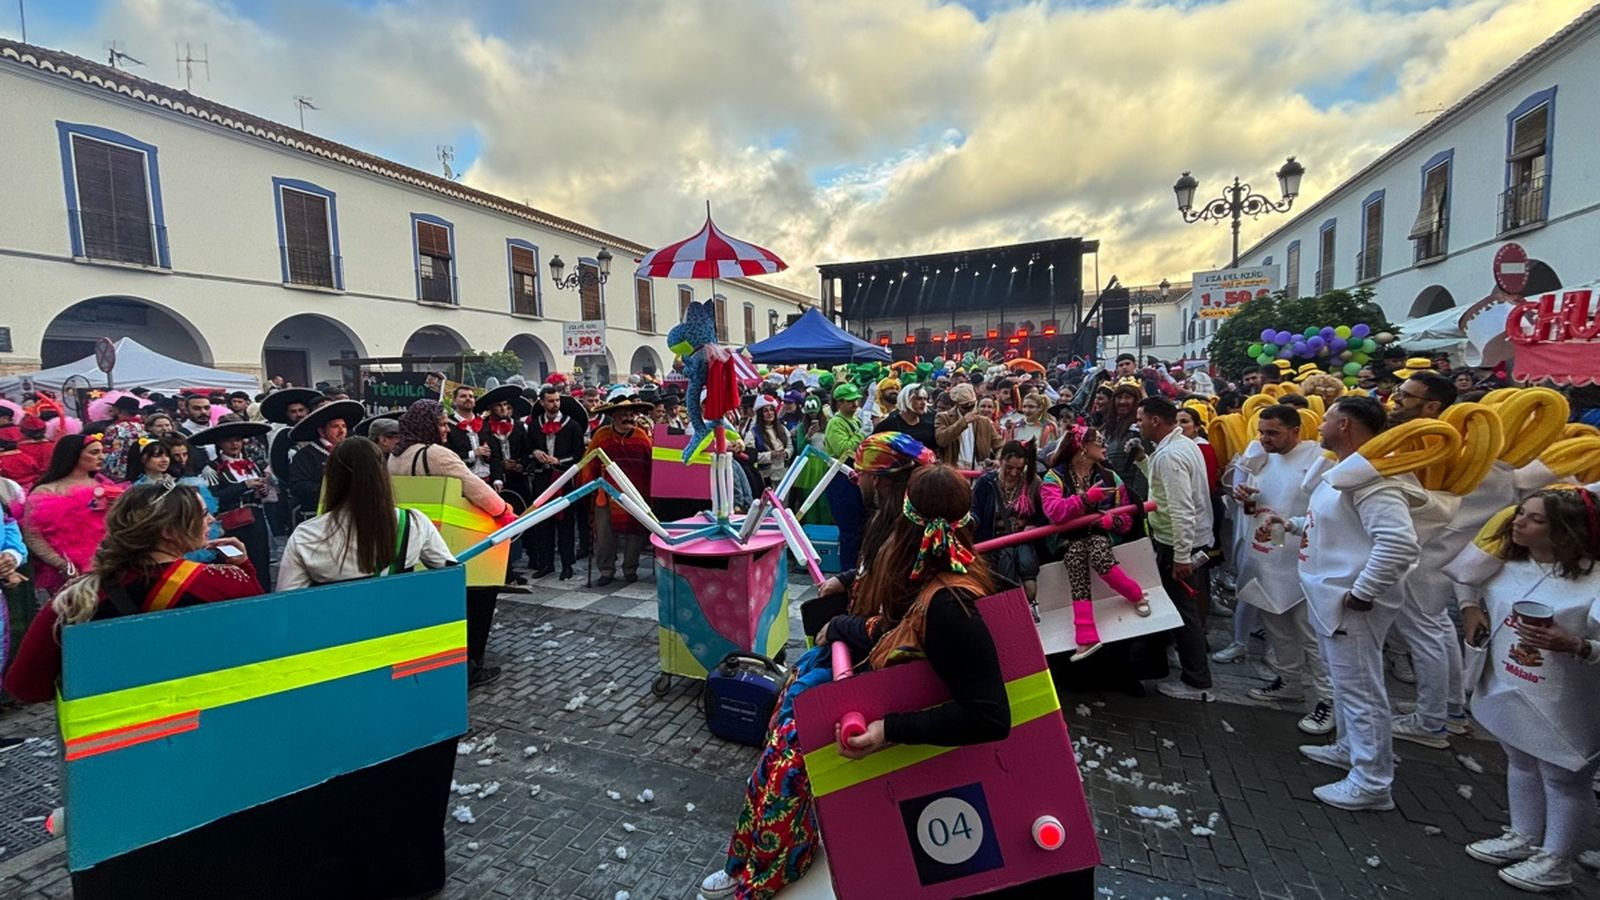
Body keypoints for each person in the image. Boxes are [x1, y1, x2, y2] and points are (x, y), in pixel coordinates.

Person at [702, 465, 1090, 899]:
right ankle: (746, 864)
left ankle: (762, 879)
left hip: (908, 733)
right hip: (887, 689)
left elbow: (989, 714)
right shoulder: (938, 563)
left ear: (907, 518)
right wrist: (847, 606)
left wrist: (887, 731)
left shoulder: (951, 602)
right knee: (781, 732)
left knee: (787, 766)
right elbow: (892, 616)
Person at [1261, 396, 1423, 811]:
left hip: (1350, 602)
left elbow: (1398, 542)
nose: (1320, 426)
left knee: (1362, 690)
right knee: (1349, 686)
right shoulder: (1344, 472)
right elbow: (1329, 525)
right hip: (1331, 595)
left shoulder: (1375, 480)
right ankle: (1350, 748)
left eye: (1328, 419)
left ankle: (1372, 781)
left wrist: (1364, 590)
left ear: (1346, 425)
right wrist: (1291, 525)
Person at [1458, 489, 1600, 893]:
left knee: (1564, 777)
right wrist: (1470, 609)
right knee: (1519, 759)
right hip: (1508, 684)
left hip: (1569, 700)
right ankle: (1524, 835)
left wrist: (1578, 645)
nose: (1517, 522)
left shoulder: (1595, 581)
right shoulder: (1507, 561)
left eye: (1533, 519)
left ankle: (1558, 859)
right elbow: (1465, 579)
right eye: (1520, 513)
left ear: (1566, 532)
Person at [5, 482, 262, 704]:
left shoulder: (75, 596)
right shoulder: (223, 581)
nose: (211, 520)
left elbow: (26, 687)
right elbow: (264, 640)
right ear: (169, 532)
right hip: (206, 719)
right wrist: (244, 566)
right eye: (203, 513)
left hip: (114, 738)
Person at [390, 399, 516, 687]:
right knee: (478, 596)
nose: (447, 429)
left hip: (410, 545)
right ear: (427, 426)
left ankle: (432, 661)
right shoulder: (436, 454)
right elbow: (475, 488)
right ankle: (471, 666)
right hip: (453, 541)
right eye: (442, 423)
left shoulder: (395, 456)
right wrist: (505, 513)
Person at [1230, 405, 1337, 735]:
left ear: (1296, 431)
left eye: (1273, 433)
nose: (1264, 438)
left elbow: (1326, 514)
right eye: (1261, 432)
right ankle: (1289, 682)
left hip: (1301, 560)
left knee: (1310, 635)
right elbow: (1255, 509)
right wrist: (1244, 498)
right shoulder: (1262, 457)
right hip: (1265, 554)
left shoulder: (1318, 460)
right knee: (1277, 627)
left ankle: (1329, 700)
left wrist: (1290, 528)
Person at [278, 437, 455, 589]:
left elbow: (286, 600)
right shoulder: (414, 522)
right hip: (400, 626)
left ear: (332, 477)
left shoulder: (306, 535)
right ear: (381, 474)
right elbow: (450, 574)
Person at [1041, 424, 1146, 661]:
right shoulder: (1054, 476)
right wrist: (1085, 499)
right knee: (1076, 556)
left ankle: (1136, 594)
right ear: (1083, 447)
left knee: (1098, 552)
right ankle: (1086, 636)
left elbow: (1127, 517)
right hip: (1067, 539)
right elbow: (1054, 511)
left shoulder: (1110, 476)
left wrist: (1114, 523)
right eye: (1099, 442)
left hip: (1101, 536)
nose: (1105, 446)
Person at [1137, 396, 1215, 699]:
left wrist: (1181, 555)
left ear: (1155, 420)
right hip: (1183, 540)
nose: (1139, 423)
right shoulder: (1181, 447)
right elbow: (1164, 491)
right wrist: (1144, 462)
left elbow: (1182, 508)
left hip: (1178, 544)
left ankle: (1197, 681)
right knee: (1181, 608)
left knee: (1184, 611)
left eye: (1142, 417)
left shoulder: (1171, 455)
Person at [20, 434, 124, 597]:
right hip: (68, 575)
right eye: (94, 452)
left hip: (108, 566)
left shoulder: (106, 486)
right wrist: (61, 564)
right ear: (74, 454)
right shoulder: (46, 491)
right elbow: (33, 535)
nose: (102, 457)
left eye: (102, 452)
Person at [582, 390, 655, 586]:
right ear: (614, 416)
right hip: (606, 493)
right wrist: (588, 486)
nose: (629, 418)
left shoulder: (641, 436)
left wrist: (653, 492)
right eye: (624, 414)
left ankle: (630, 568)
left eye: (632, 414)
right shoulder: (602, 436)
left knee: (635, 533)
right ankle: (606, 569)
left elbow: (652, 465)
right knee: (604, 534)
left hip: (636, 493)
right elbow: (589, 463)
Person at [195, 420, 275, 592]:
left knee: (261, 561)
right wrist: (243, 486)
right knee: (235, 561)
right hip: (231, 524)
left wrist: (261, 491)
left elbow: (261, 493)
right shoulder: (212, 469)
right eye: (228, 440)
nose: (234, 444)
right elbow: (214, 498)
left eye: (237, 440)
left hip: (257, 520)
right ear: (219, 444)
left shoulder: (251, 463)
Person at [971, 440, 1047, 609]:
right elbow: (975, 509)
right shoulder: (986, 482)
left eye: (1019, 469)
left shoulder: (1033, 482)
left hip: (1022, 539)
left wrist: (1035, 525)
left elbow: (1044, 513)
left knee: (1029, 577)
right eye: (1009, 468)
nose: (1013, 473)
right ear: (1001, 460)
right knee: (1004, 575)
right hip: (994, 542)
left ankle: (1029, 607)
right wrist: (971, 522)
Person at [527, 386, 587, 581]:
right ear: (542, 402)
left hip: (563, 479)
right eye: (551, 401)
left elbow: (579, 454)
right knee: (542, 523)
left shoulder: (572, 426)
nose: (555, 404)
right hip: (542, 480)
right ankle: (546, 563)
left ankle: (567, 565)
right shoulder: (535, 425)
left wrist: (559, 461)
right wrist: (535, 452)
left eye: (557, 400)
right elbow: (528, 448)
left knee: (566, 524)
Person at [285, 399, 364, 523]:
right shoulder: (306, 455)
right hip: (317, 517)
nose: (341, 431)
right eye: (335, 427)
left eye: (343, 426)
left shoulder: (351, 451)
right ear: (322, 431)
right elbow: (297, 487)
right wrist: (333, 488)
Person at [824, 384, 868, 571]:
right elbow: (844, 449)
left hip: (856, 475)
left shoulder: (855, 421)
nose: (856, 404)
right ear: (839, 403)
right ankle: (847, 573)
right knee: (849, 529)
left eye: (856, 400)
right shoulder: (836, 423)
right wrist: (863, 433)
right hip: (841, 478)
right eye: (850, 401)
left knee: (860, 526)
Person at [934, 382, 999, 471]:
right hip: (954, 470)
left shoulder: (985, 422)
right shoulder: (943, 417)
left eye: (972, 406)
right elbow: (941, 440)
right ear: (957, 404)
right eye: (965, 407)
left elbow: (999, 445)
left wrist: (998, 459)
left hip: (979, 471)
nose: (969, 409)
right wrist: (963, 422)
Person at [872, 382, 937, 450]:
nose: (923, 403)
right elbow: (872, 446)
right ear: (906, 399)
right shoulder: (889, 424)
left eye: (925, 399)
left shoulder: (928, 425)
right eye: (918, 399)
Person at [744, 395, 790, 489]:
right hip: (765, 477)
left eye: (771, 410)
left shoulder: (782, 429)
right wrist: (770, 455)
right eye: (765, 411)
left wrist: (786, 453)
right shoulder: (752, 434)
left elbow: (790, 445)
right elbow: (749, 456)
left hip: (783, 474)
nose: (769, 413)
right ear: (760, 413)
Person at [99, 396, 146, 482]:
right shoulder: (142, 427)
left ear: (119, 410)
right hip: (139, 470)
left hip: (119, 472)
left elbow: (108, 452)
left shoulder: (115, 428)